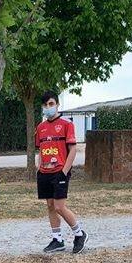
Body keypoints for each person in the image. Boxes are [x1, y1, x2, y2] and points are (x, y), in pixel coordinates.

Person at [35, 90, 88, 254]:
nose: (48, 107)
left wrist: (64, 172)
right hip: (44, 172)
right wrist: (39, 167)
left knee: (59, 206)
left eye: (51, 104)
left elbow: (73, 150)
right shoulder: (41, 127)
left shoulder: (66, 125)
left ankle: (79, 234)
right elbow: (41, 150)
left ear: (57, 104)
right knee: (50, 205)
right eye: (45, 105)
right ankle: (57, 240)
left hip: (60, 172)